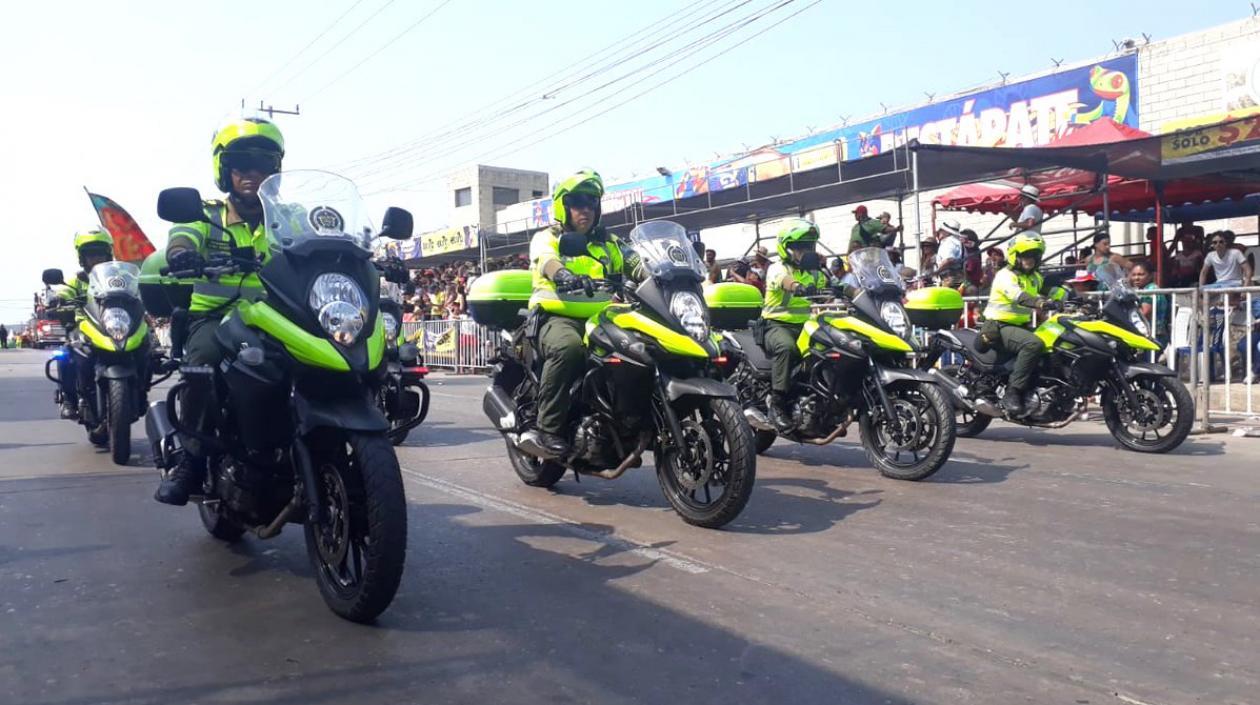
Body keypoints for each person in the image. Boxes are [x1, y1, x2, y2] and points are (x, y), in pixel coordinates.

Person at [155, 117, 285, 506]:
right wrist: (182, 255)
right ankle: (191, 460)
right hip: (215, 318)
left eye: (263, 165)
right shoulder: (205, 215)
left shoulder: (288, 216)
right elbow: (181, 238)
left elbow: (320, 242)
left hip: (278, 318)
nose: (252, 174)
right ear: (225, 170)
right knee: (205, 360)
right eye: (242, 164)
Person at [521, 170, 640, 457]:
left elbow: (636, 262)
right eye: (577, 202)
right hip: (557, 317)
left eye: (590, 203)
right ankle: (546, 430)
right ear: (564, 207)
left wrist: (666, 273)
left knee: (640, 349)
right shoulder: (548, 237)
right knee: (569, 349)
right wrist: (562, 274)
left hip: (602, 318)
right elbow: (547, 261)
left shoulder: (609, 243)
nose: (585, 209)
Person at [980, 233, 1068, 417]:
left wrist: (1067, 294)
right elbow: (1018, 295)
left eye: (1035, 255)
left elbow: (1049, 289)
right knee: (1033, 344)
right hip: (998, 326)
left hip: (1020, 326)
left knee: (1055, 343)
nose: (1031, 259)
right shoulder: (1005, 275)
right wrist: (1040, 303)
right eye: (1027, 254)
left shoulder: (1034, 277)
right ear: (1015, 255)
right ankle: (1013, 392)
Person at [762, 218, 832, 432]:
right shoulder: (777, 268)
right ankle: (777, 404)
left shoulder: (816, 272)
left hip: (808, 328)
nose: (805, 251)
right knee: (787, 348)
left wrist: (857, 292)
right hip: (776, 326)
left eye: (809, 246)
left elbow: (834, 287)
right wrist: (797, 287)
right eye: (799, 247)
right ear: (786, 247)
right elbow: (784, 281)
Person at [49, 229, 116, 419]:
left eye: (99, 253)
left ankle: (139, 388)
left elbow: (134, 289)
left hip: (113, 325)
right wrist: (58, 299)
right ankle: (69, 400)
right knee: (65, 354)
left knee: (149, 349)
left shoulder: (117, 278)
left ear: (108, 254)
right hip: (84, 327)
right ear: (82, 258)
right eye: (90, 254)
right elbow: (64, 292)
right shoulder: (76, 280)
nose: (96, 258)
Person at [1130, 261, 1170, 345]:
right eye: (1134, 275)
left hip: (1154, 335)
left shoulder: (1150, 289)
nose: (1136, 278)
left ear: (1151, 275)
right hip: (1148, 334)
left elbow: (1144, 313)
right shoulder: (1142, 290)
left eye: (1141, 274)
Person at [933, 220, 966, 290]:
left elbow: (948, 260)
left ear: (947, 232)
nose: (939, 232)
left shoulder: (949, 243)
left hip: (950, 277)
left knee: (947, 298)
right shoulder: (956, 242)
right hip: (956, 275)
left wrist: (937, 271)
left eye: (941, 230)